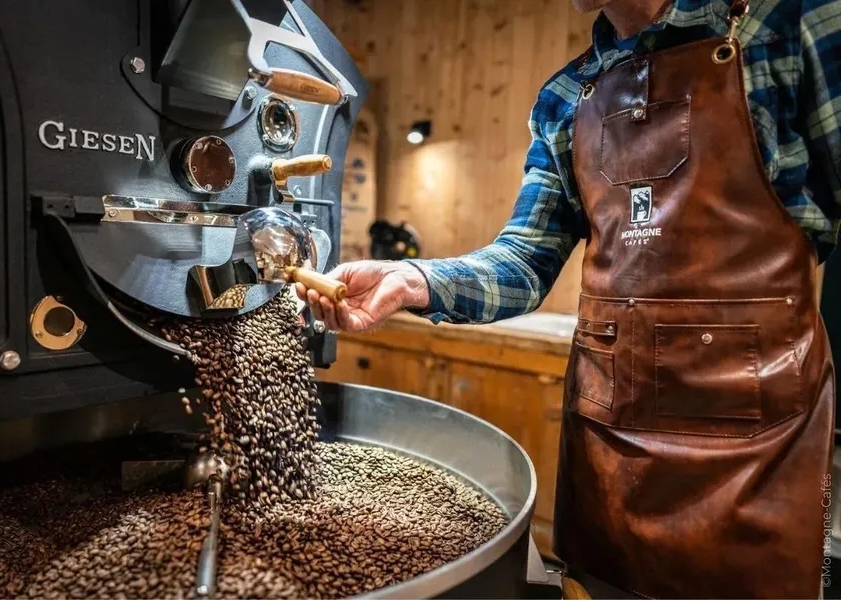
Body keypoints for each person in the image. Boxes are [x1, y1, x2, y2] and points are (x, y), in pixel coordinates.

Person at [298, 0, 839, 597]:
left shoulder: (791, 23)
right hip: (611, 448)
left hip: (756, 451)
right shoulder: (566, 96)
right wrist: (412, 280)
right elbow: (525, 261)